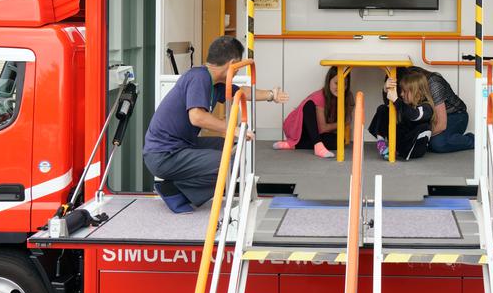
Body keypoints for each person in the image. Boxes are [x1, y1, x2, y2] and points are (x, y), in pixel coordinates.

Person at [143, 36, 289, 213]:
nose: (237, 71)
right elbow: (197, 117)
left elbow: (241, 92)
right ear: (232, 63)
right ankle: (177, 192)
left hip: (180, 146)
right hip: (163, 154)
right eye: (238, 66)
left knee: (229, 148)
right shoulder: (199, 78)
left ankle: (175, 188)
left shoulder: (215, 83)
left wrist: (271, 95)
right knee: (229, 160)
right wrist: (233, 129)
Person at [273, 66, 353, 159]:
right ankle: (318, 146)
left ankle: (294, 145)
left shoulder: (347, 97)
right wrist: (342, 123)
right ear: (328, 82)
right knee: (309, 104)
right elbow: (323, 128)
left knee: (338, 141)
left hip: (314, 133)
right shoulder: (320, 97)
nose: (340, 87)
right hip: (297, 127)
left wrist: (343, 123)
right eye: (336, 83)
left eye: (345, 84)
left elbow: (346, 119)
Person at [397, 66, 474, 153]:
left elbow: (441, 124)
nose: (401, 94)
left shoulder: (434, 84)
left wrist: (416, 136)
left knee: (437, 143)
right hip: (432, 117)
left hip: (455, 115)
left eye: (404, 91)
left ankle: (472, 140)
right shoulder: (409, 85)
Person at [368, 70, 434, 160]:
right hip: (401, 140)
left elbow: (414, 115)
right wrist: (386, 89)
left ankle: (402, 152)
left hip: (415, 147)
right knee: (383, 109)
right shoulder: (405, 103)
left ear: (417, 93)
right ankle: (381, 144)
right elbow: (390, 105)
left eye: (405, 91)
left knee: (424, 126)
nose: (401, 94)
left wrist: (396, 100)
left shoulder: (427, 107)